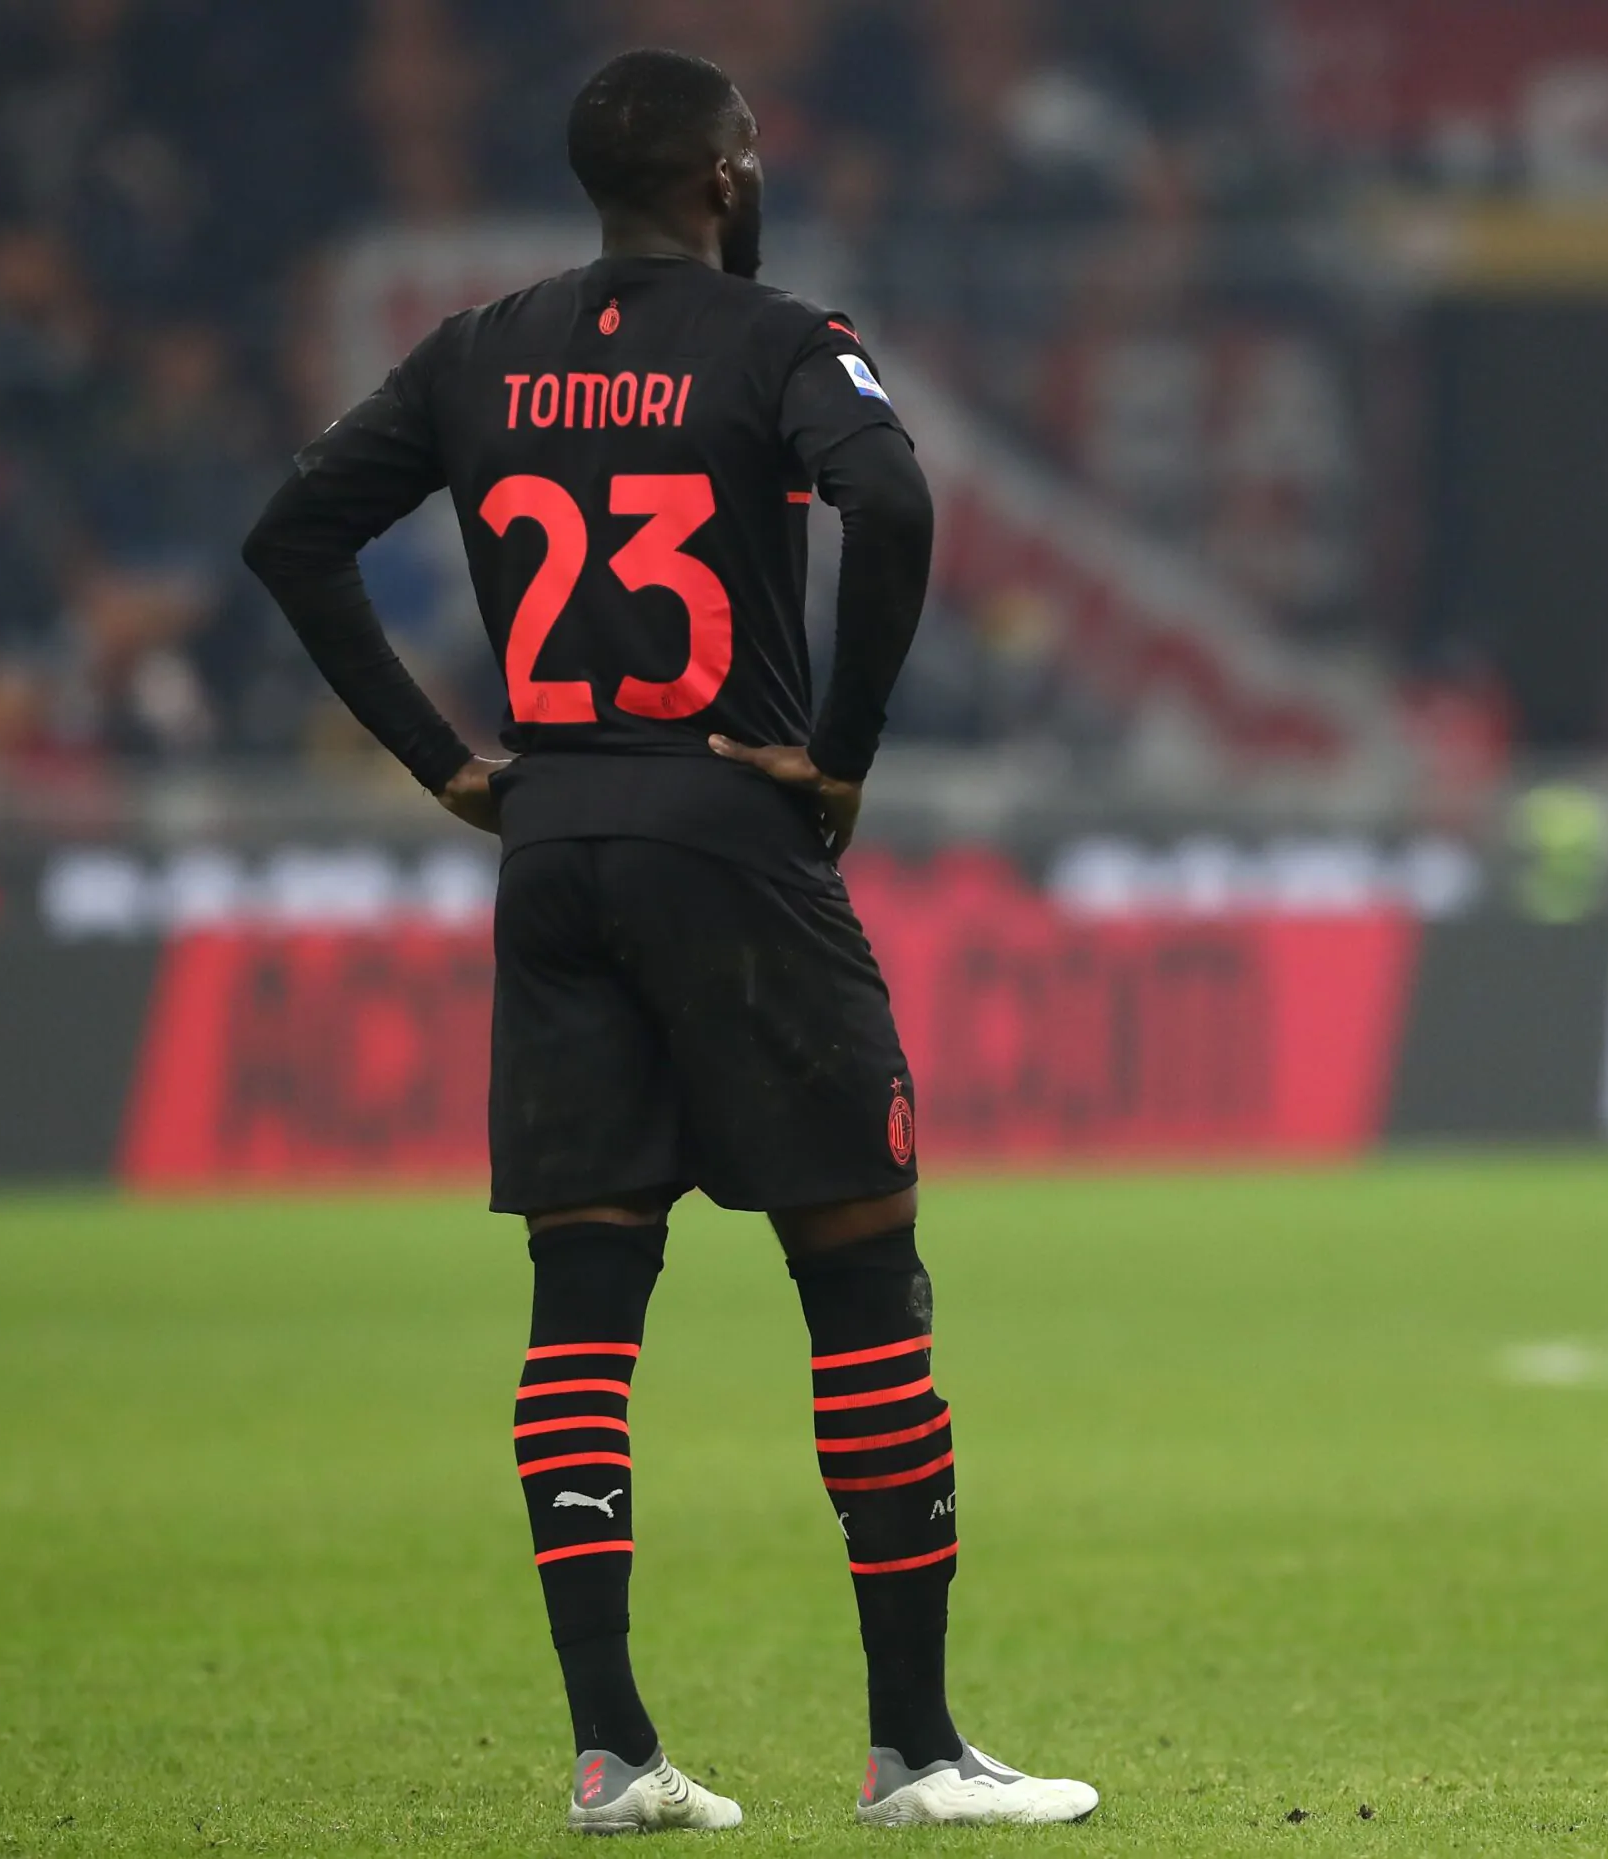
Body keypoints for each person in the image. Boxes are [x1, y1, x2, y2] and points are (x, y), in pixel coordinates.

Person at [242, 48, 1098, 1832]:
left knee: (583, 1306)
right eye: (752, 154)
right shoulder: (782, 341)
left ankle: (613, 1753)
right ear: (721, 178)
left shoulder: (477, 351)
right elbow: (897, 505)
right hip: (730, 838)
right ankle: (916, 1750)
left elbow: (294, 533)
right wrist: (843, 750)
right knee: (860, 1275)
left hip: (554, 843)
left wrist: (448, 763)